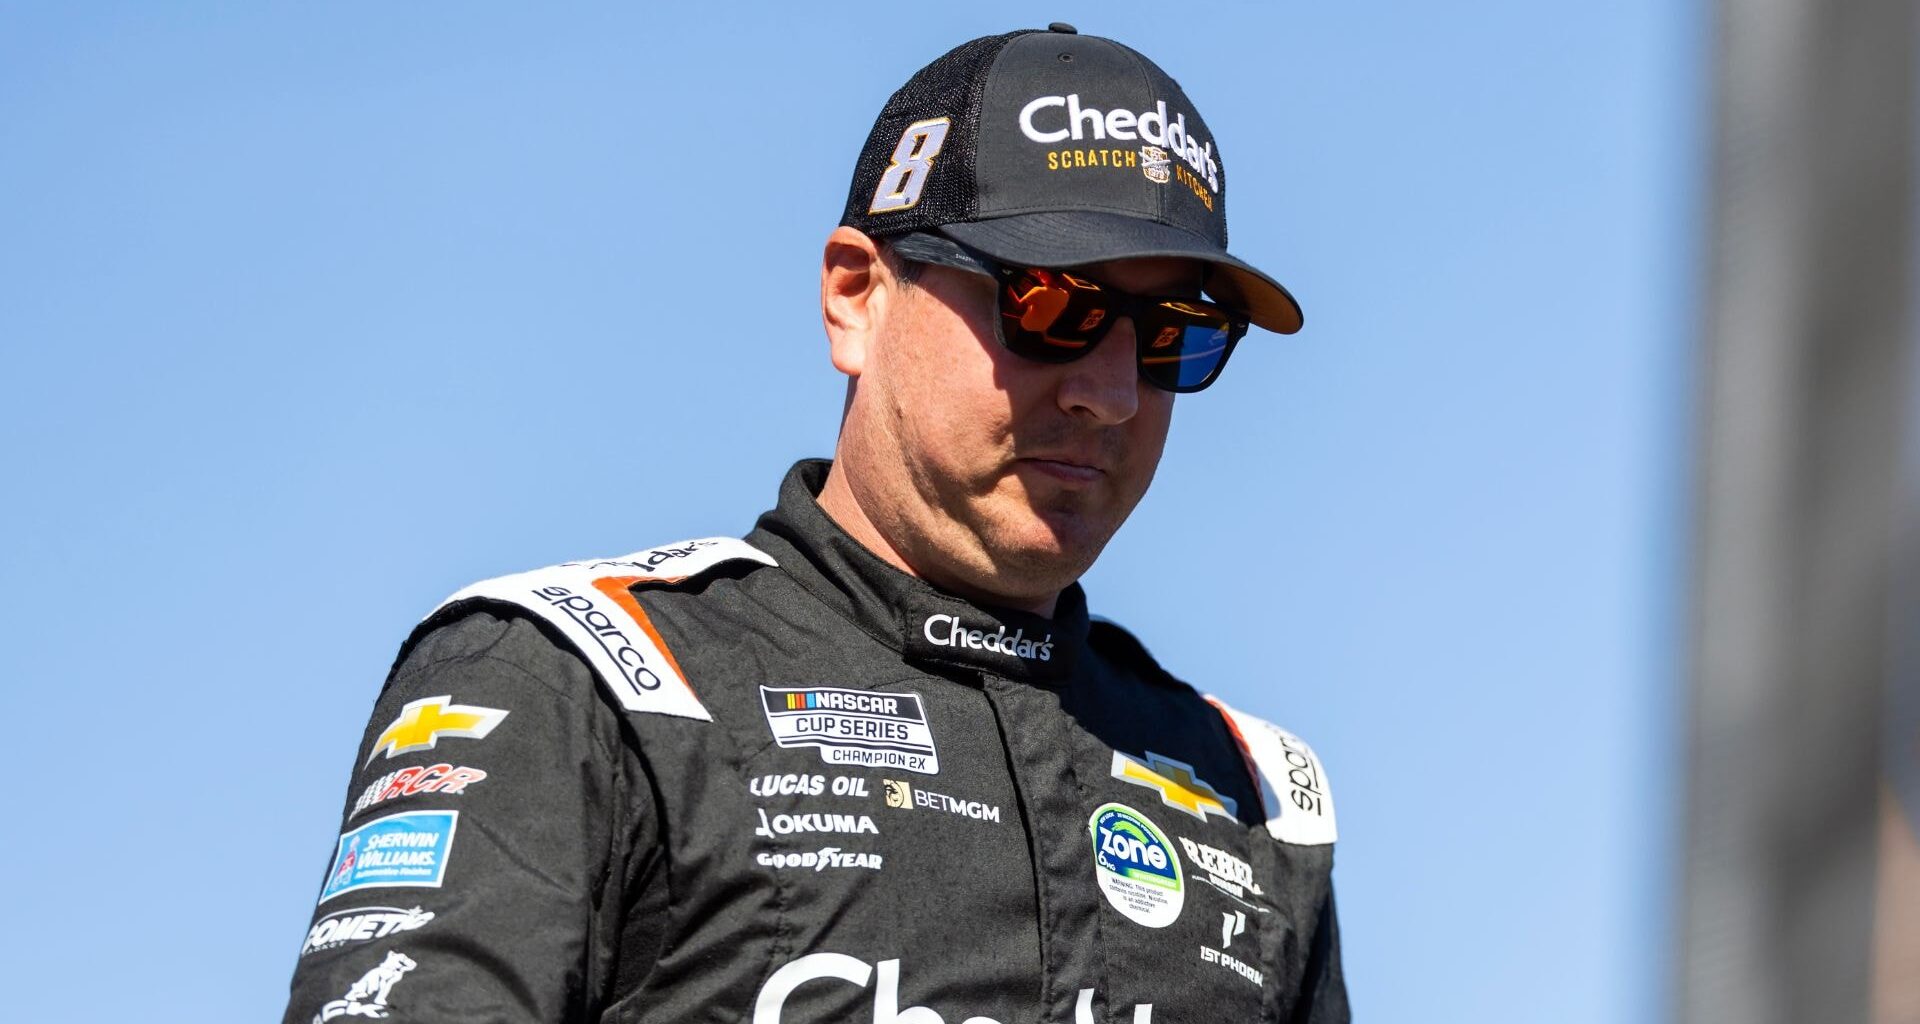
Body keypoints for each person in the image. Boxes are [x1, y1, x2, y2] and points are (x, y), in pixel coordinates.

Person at [284, 23, 1345, 1024]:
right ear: (856, 295)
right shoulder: (580, 675)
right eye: (1050, 305)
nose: (1110, 392)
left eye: (1173, 338)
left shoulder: (1256, 792)